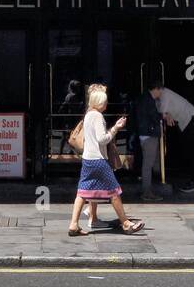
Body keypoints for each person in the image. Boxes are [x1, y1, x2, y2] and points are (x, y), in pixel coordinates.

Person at [68, 87, 144, 236]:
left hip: (87, 159)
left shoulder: (88, 115)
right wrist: (115, 128)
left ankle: (73, 224)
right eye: (104, 101)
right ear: (99, 102)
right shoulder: (97, 116)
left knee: (82, 192)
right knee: (114, 191)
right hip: (98, 160)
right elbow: (102, 139)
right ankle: (126, 223)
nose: (106, 103)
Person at [132, 81, 164, 203]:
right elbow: (154, 116)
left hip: (144, 134)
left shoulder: (143, 99)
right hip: (149, 134)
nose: (160, 93)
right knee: (148, 164)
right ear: (155, 89)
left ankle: (148, 190)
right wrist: (163, 115)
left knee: (148, 164)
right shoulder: (149, 101)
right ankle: (147, 192)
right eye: (160, 90)